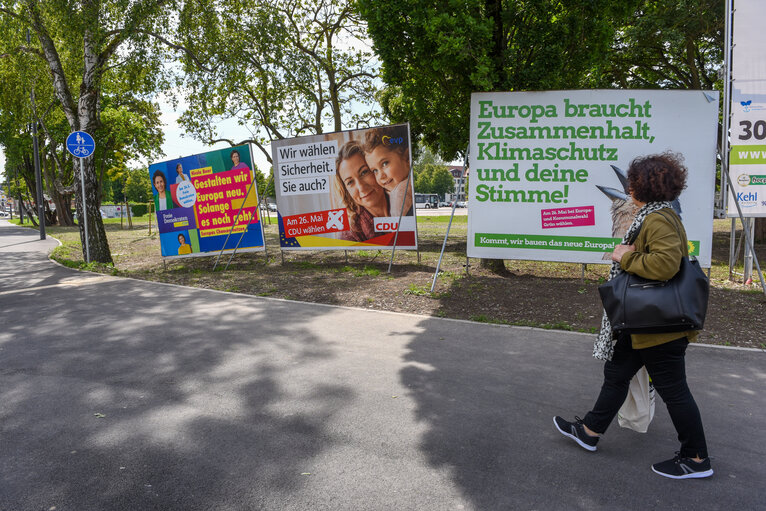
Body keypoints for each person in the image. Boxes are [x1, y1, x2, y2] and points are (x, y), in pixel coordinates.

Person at [553, 152, 713, 480]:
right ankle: (589, 431)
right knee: (616, 374)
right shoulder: (654, 215)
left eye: (633, 181)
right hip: (641, 322)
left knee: (675, 391)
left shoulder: (658, 219)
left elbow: (665, 265)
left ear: (644, 184)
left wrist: (626, 257)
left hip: (658, 327)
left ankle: (696, 459)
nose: (628, 187)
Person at [334, 140, 389, 242]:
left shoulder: (402, 201)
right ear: (346, 192)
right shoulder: (349, 235)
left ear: (375, 169)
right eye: (350, 182)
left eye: (364, 172)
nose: (361, 187)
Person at [363, 126, 413, 217]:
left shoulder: (401, 193)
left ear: (406, 157)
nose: (381, 176)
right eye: (375, 170)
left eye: (385, 164)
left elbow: (398, 228)